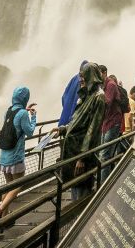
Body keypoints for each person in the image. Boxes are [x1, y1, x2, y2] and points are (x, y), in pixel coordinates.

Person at [58, 63, 105, 201]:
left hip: (81, 154)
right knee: (75, 188)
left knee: (82, 193)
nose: (80, 80)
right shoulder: (87, 94)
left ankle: (81, 219)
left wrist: (83, 157)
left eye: (83, 76)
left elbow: (92, 129)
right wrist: (63, 129)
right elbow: (78, 120)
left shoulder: (98, 97)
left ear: (91, 76)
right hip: (74, 152)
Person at [0, 86, 37, 217]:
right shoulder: (23, 114)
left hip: (4, 156)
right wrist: (33, 116)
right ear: (25, 98)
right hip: (15, 157)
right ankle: (1, 208)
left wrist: (24, 110)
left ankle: (3, 219)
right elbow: (29, 132)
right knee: (18, 185)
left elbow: (15, 121)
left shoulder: (8, 111)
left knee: (8, 187)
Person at [99, 72, 124, 182]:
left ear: (104, 73)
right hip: (106, 123)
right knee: (105, 154)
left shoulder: (111, 85)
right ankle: (108, 179)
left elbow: (107, 103)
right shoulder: (103, 86)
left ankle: (104, 184)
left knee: (105, 155)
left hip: (113, 122)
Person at [58, 61, 89, 128]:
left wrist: (66, 109)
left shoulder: (74, 78)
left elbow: (63, 97)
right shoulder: (84, 82)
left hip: (65, 119)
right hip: (74, 123)